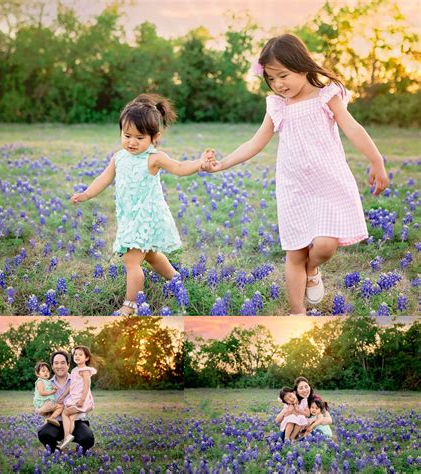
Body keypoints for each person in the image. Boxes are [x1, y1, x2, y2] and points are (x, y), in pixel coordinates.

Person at [204, 33, 389, 315]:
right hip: (294, 188)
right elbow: (256, 142)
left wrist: (376, 160)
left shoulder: (327, 96)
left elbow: (353, 128)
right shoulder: (277, 105)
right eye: (271, 79)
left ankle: (313, 268)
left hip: (329, 182)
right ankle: (297, 312)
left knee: (325, 246)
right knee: (295, 252)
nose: (278, 84)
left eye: (284, 75)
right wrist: (224, 163)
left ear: (303, 66)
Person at [71, 93, 214, 315]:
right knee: (150, 255)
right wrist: (88, 193)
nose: (132, 142)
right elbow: (105, 178)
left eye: (139, 137)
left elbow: (178, 167)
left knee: (131, 260)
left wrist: (199, 163)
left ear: (154, 137)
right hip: (129, 215)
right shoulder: (119, 157)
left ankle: (130, 304)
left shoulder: (154, 158)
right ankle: (175, 279)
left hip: (146, 215)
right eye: (127, 135)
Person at [37, 351, 95, 452]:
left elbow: (89, 403)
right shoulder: (46, 384)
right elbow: (39, 407)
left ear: (68, 365)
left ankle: (80, 452)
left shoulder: (78, 379)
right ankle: (54, 450)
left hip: (76, 422)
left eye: (63, 362)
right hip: (56, 423)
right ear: (52, 366)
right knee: (44, 433)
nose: (59, 366)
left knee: (87, 438)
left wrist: (75, 409)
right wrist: (42, 410)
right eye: (56, 363)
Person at [58, 346, 97, 450]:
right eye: (75, 354)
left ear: (87, 358)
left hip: (81, 399)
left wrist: (82, 400)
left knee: (65, 413)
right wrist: (63, 395)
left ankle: (66, 437)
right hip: (75, 398)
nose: (77, 356)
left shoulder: (85, 371)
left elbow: (87, 386)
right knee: (71, 418)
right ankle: (67, 438)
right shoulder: (75, 370)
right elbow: (72, 386)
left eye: (80, 355)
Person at [33, 361, 62, 426]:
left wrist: (54, 387)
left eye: (47, 371)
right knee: (60, 407)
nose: (46, 373)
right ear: (38, 374)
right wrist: (52, 391)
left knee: (48, 415)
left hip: (48, 402)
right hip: (44, 402)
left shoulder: (47, 381)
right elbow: (42, 392)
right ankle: (46, 414)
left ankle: (47, 424)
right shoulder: (40, 381)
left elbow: (50, 386)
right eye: (43, 371)